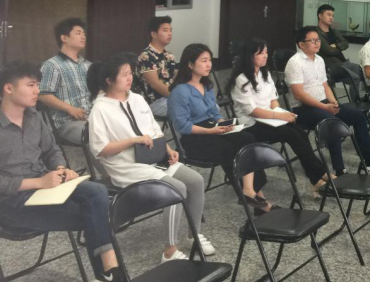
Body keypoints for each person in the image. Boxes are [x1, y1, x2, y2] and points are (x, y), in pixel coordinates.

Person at [0, 61, 121, 282]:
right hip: (12, 202)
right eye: (30, 85)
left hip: (46, 187)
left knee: (97, 192)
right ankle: (109, 272)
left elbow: (52, 150)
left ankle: (106, 271)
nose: (37, 91)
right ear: (8, 88)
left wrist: (61, 168)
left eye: (37, 85)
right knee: (96, 214)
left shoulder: (34, 117)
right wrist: (38, 183)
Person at [88, 54, 215, 263]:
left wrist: (167, 149)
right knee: (176, 188)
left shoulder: (137, 99)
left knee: (196, 181)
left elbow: (154, 129)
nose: (130, 78)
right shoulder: (100, 109)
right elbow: (100, 150)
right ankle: (170, 251)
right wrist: (133, 141)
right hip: (127, 167)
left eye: (130, 73)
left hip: (152, 158)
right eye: (124, 74)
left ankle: (195, 234)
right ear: (109, 80)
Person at [168, 43, 274, 211]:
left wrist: (225, 124)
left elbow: (214, 112)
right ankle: (258, 201)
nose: (209, 64)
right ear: (190, 64)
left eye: (210, 60)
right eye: (204, 60)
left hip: (213, 128)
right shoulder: (179, 91)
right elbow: (182, 125)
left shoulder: (206, 85)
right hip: (194, 138)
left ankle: (249, 191)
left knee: (247, 138)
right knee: (230, 149)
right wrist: (211, 130)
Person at [227, 38, 331, 198]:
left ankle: (318, 175)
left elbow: (273, 100)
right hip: (251, 125)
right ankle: (318, 177)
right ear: (249, 56)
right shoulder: (241, 79)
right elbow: (253, 111)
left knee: (299, 132)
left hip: (269, 119)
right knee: (291, 134)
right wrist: (279, 115)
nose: (265, 56)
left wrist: (282, 114)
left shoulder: (264, 73)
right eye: (260, 53)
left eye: (266, 52)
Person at [287, 26, 370, 176]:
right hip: (303, 109)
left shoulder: (319, 60)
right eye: (312, 40)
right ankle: (339, 169)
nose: (317, 43)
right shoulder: (295, 62)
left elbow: (325, 85)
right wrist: (325, 107)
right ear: (301, 44)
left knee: (359, 117)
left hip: (323, 103)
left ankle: (369, 160)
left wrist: (333, 102)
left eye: (318, 40)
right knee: (332, 121)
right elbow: (299, 95)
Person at [38, 18, 92, 144]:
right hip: (65, 123)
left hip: (91, 117)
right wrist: (70, 108)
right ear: (64, 38)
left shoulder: (88, 65)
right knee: (99, 132)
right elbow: (43, 95)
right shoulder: (52, 65)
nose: (83, 36)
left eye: (84, 34)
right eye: (78, 33)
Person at [316, 3, 364, 94]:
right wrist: (338, 47)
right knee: (355, 78)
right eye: (329, 15)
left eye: (332, 16)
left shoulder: (333, 31)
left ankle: (364, 98)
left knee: (362, 72)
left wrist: (336, 46)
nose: (331, 18)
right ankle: (356, 101)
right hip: (332, 66)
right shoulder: (316, 33)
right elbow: (328, 50)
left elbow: (346, 43)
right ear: (320, 16)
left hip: (343, 62)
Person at [135, 16, 175, 118]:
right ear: (154, 34)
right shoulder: (146, 56)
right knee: (187, 108)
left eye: (170, 30)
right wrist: (177, 97)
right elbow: (155, 84)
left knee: (197, 103)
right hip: (153, 102)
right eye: (165, 30)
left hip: (169, 98)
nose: (169, 33)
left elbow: (176, 78)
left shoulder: (169, 56)